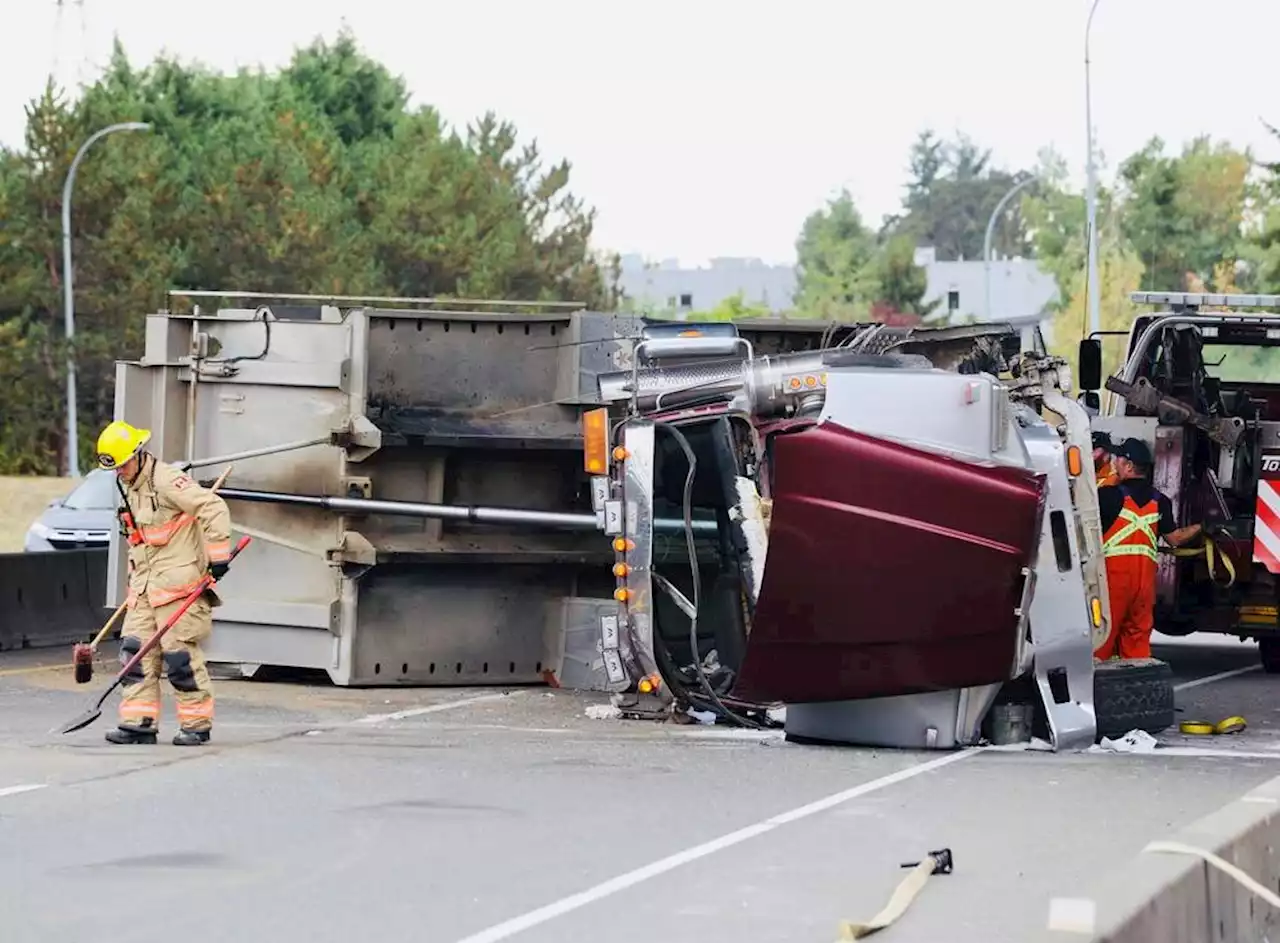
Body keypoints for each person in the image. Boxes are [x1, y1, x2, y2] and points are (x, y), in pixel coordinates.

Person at [96, 420, 233, 746]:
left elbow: (213, 507)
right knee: (134, 653)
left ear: (137, 454)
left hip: (178, 585)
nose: (121, 472)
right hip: (145, 586)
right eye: (115, 468)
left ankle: (196, 724)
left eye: (123, 465)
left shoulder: (168, 480)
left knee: (179, 658)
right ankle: (138, 723)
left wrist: (218, 557)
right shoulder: (127, 486)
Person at [1094, 437, 1202, 661]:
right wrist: (1202, 527)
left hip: (1114, 581)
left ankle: (1095, 687)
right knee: (1137, 639)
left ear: (1129, 466)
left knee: (1102, 638)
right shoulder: (1160, 501)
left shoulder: (1108, 496)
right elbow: (1175, 539)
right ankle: (1136, 683)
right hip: (1144, 585)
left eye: (1119, 460)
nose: (1115, 464)